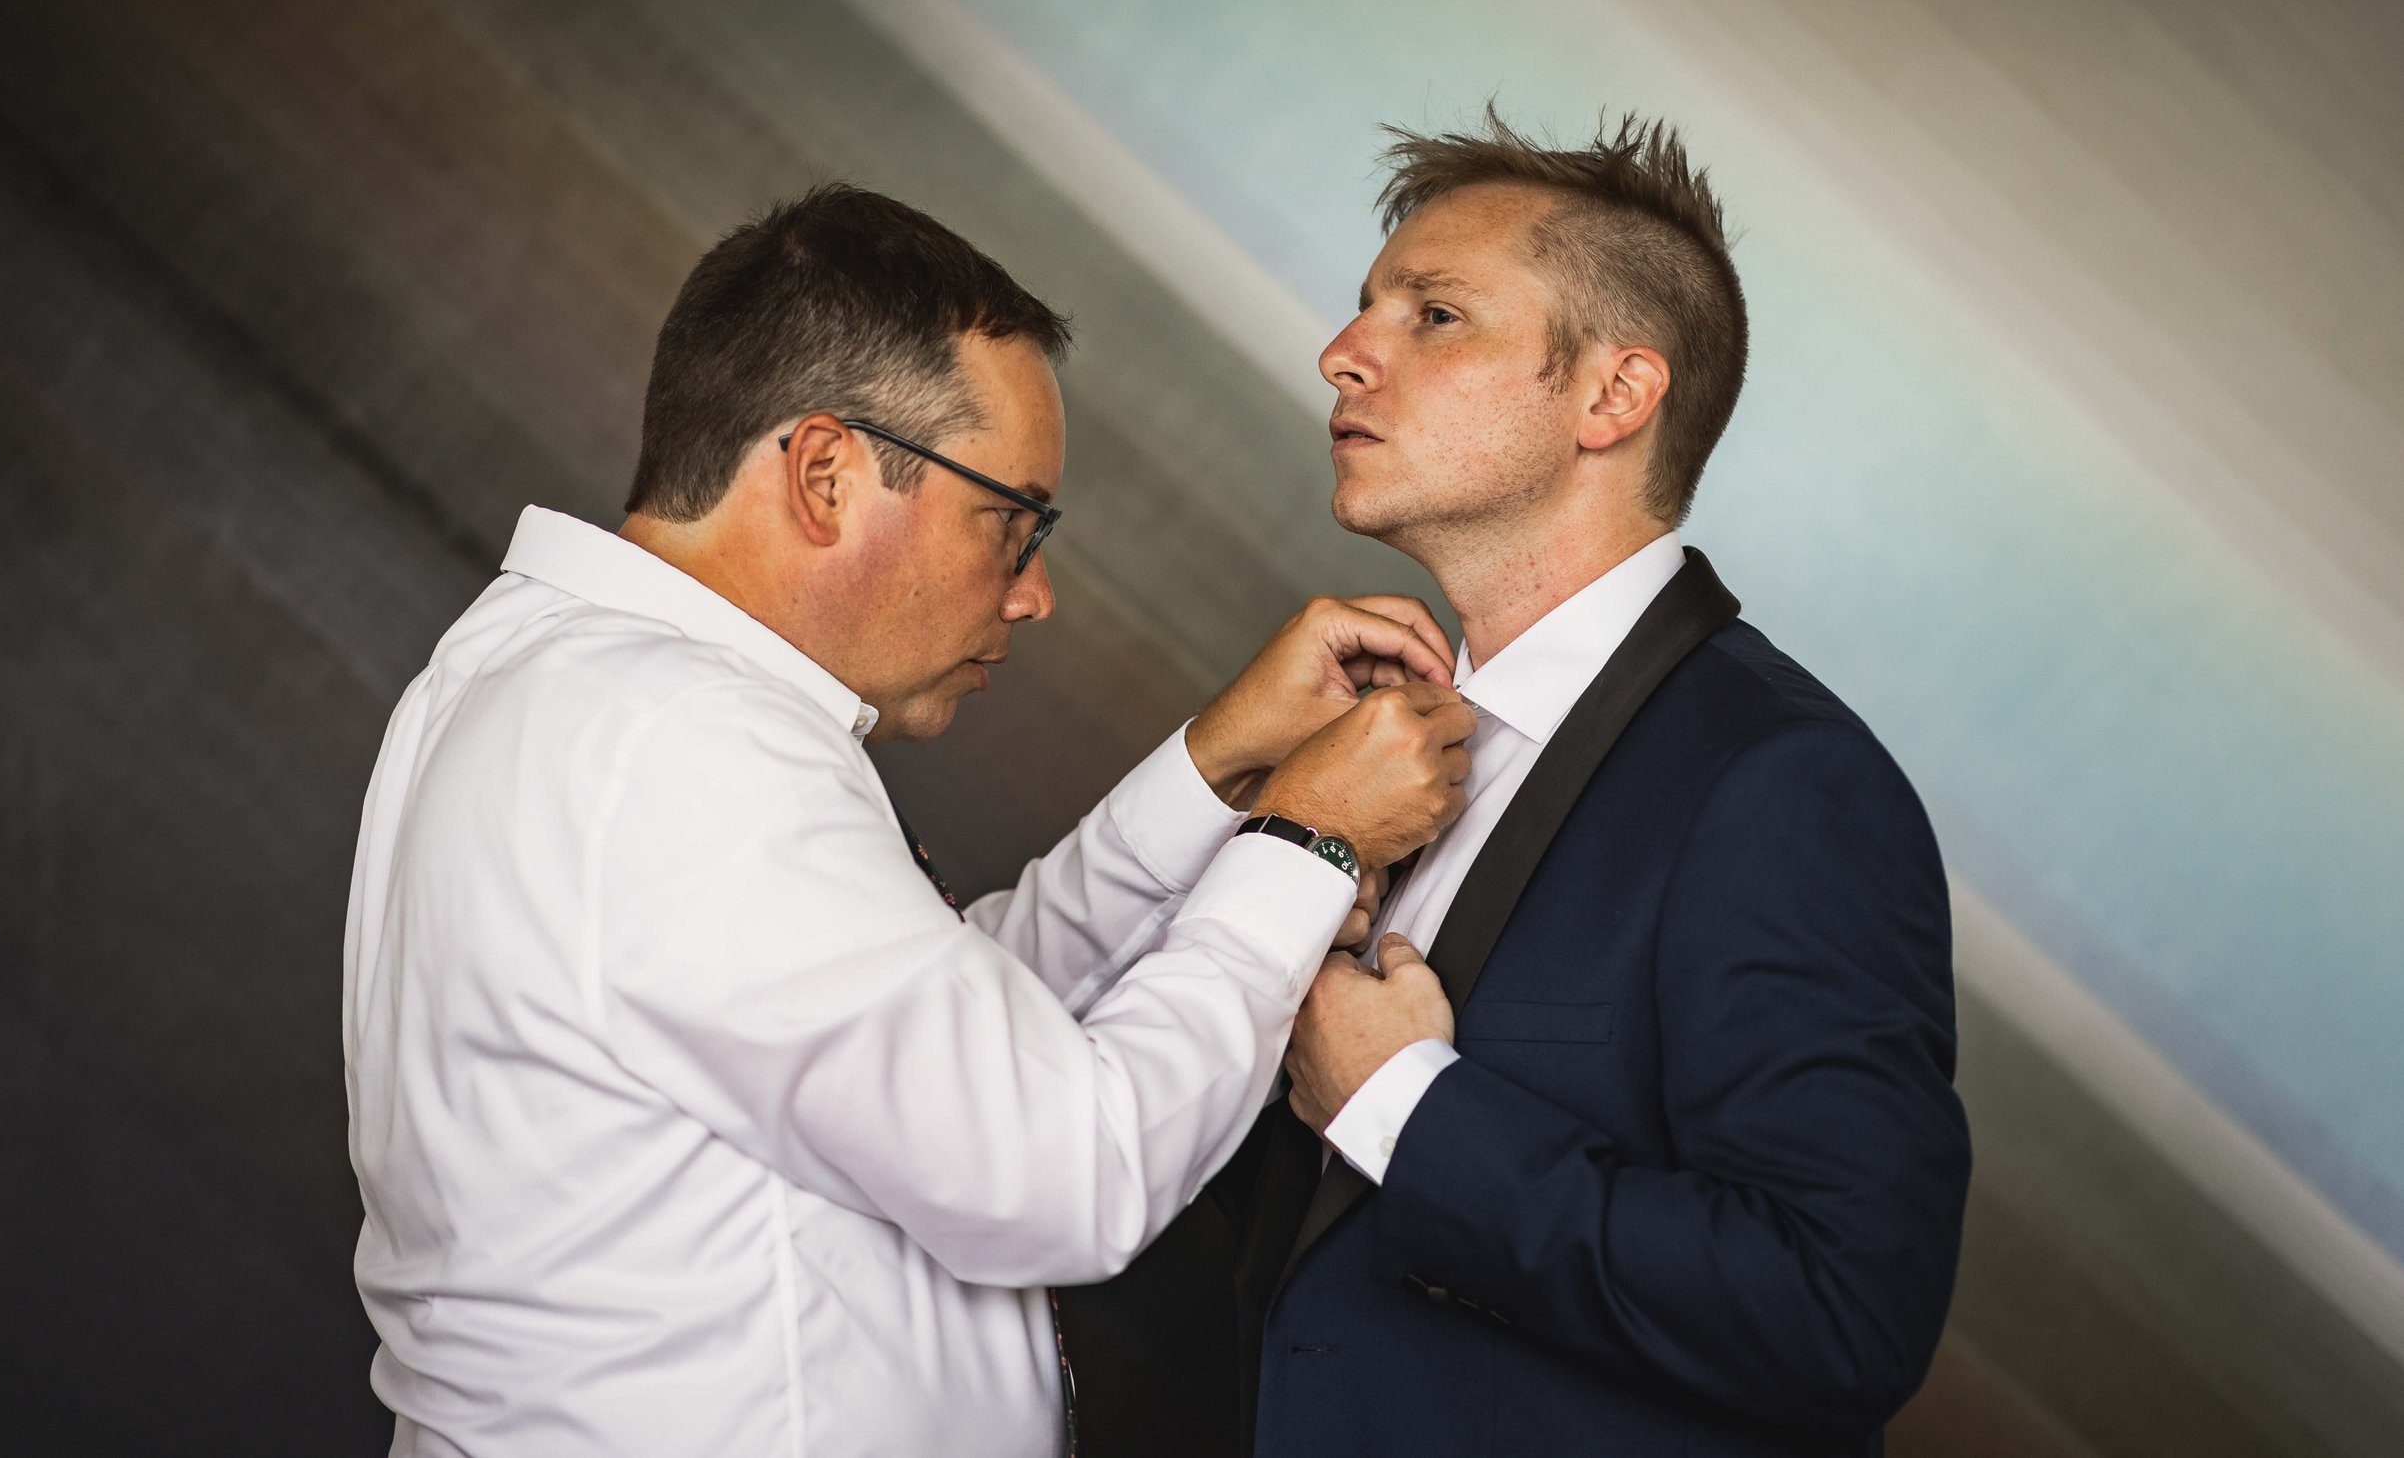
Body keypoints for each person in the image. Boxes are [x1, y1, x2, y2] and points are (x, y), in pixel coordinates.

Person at [341, 183, 1477, 1457]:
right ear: (827, 472)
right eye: (1013, 519)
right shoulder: (679, 743)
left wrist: (1216, 769)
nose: (1035, 592)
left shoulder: (563, 682)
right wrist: (1306, 842)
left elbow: (938, 1033)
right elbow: (1063, 1169)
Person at [1224, 114, 1971, 1457]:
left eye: (1435, 313)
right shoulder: (1377, 743)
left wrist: (1406, 1104)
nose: (1344, 350)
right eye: (1363, 307)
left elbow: (1841, 1308)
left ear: (1614, 397)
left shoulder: (1780, 783)